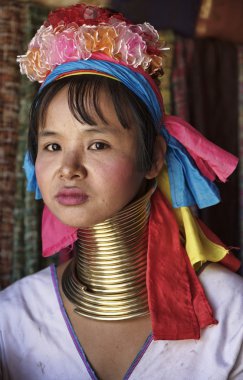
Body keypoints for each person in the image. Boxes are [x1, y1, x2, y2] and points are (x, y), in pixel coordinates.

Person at [0, 3, 242, 380]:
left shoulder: (232, 313)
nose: (68, 168)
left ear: (154, 158)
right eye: (52, 146)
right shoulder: (12, 318)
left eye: (97, 144)